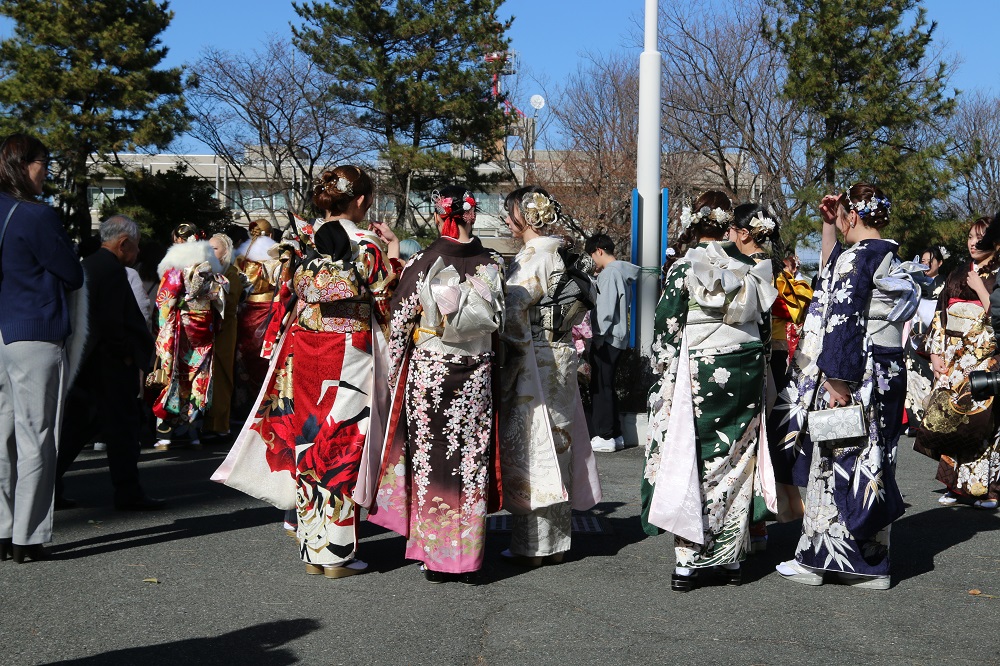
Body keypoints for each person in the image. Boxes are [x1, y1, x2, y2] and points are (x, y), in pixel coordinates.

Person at [221, 165, 401, 579]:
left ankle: (313, 550)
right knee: (343, 442)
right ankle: (337, 555)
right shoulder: (366, 243)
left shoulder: (307, 241)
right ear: (359, 200)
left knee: (310, 443)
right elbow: (385, 300)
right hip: (349, 350)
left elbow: (292, 295)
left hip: (306, 349)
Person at [770, 184, 920, 590]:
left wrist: (837, 380)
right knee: (875, 461)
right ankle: (873, 562)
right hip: (887, 371)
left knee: (836, 457)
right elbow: (832, 272)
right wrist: (827, 226)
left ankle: (822, 561)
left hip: (856, 372)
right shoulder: (885, 252)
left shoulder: (859, 257)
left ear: (853, 216)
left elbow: (841, 316)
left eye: (841, 218)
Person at [640, 191, 777, 592]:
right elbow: (765, 331)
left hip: (701, 367)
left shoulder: (685, 267)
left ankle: (689, 560)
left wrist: (663, 376)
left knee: (692, 454)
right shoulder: (755, 270)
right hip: (747, 364)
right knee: (738, 455)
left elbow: (666, 327)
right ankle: (731, 559)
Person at [369, 185, 505, 583]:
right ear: (472, 215)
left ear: (438, 215)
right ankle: (469, 557)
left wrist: (392, 373)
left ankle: (438, 556)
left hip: (432, 369)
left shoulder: (424, 260)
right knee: (471, 457)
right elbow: (504, 321)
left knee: (433, 459)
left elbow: (400, 321)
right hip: (477, 368)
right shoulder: (493, 262)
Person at [498, 186, 602, 567]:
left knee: (532, 445)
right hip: (560, 353)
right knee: (559, 442)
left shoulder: (532, 257)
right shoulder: (559, 252)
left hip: (532, 357)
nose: (508, 220)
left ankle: (533, 545)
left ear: (525, 216)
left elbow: (513, 313)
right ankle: (557, 543)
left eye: (511, 213)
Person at [0, 133, 84, 562]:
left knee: (3, 435)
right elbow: (71, 273)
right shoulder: (38, 216)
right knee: (38, 435)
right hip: (35, 331)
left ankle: (2, 527)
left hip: (1, 331)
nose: (46, 171)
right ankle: (27, 537)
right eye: (43, 163)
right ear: (23, 164)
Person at [55, 215, 163, 511]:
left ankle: (49, 486)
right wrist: (127, 352)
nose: (138, 253)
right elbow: (113, 320)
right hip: (111, 364)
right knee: (124, 431)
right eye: (136, 246)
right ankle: (129, 493)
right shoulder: (112, 270)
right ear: (124, 243)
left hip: (85, 361)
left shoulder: (88, 265)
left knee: (74, 429)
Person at [913, 219, 1000, 509]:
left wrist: (982, 289)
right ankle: (954, 485)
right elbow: (940, 316)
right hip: (954, 358)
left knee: (983, 422)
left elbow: (996, 315)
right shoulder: (958, 273)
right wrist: (936, 355)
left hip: (985, 358)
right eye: (970, 238)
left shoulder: (997, 273)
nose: (973, 243)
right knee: (949, 419)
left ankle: (987, 490)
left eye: (980, 238)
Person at [151, 223, 226, 449]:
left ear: (179, 241)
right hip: (205, 327)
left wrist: (159, 329)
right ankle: (193, 431)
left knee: (175, 374)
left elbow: (165, 302)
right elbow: (220, 296)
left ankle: (165, 434)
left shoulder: (176, 266)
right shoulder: (211, 266)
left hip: (182, 330)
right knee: (199, 378)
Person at [585, 234, 640, 453]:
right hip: (618, 337)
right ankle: (616, 434)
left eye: (592, 255)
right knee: (608, 385)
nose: (593, 262)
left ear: (599, 250)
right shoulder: (623, 273)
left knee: (600, 385)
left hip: (606, 338)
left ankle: (604, 434)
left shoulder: (609, 274)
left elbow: (605, 311)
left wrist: (596, 337)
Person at [232, 219, 281, 419]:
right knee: (267, 357)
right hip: (270, 309)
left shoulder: (241, 258)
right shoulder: (275, 257)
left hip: (246, 309)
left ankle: (244, 405)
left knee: (244, 356)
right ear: (270, 236)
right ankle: (267, 403)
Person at [202, 233, 244, 440]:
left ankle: (219, 424)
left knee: (221, 375)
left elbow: (230, 302)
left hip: (225, 329)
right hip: (206, 330)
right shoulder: (205, 271)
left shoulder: (233, 273)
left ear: (226, 251)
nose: (210, 253)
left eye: (215, 249)